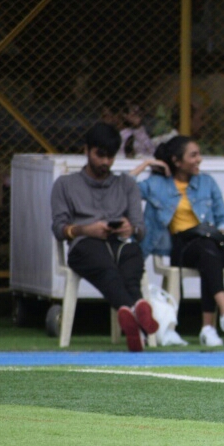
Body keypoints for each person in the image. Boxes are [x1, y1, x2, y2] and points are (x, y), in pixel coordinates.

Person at [50, 122, 158, 352]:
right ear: (86, 150)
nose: (105, 162)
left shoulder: (126, 184)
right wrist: (85, 230)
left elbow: (140, 230)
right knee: (105, 265)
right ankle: (136, 307)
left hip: (119, 243)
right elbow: (59, 228)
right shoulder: (65, 185)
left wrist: (130, 228)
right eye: (100, 155)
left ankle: (132, 311)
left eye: (110, 157)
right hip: (84, 246)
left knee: (132, 254)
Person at [133, 135, 224, 347]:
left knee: (208, 251)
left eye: (199, 154)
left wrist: (221, 232)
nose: (199, 160)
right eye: (193, 155)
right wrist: (148, 164)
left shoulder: (207, 182)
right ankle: (220, 318)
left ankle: (211, 326)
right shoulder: (158, 184)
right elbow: (125, 188)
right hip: (181, 247)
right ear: (177, 161)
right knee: (208, 252)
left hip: (210, 244)